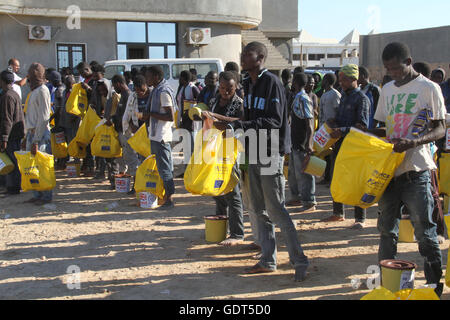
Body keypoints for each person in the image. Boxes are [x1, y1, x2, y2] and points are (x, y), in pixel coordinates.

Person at [214, 42, 309, 282]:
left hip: (270, 151)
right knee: (257, 209)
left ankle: (300, 260)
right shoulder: (247, 83)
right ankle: (268, 260)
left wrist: (237, 125)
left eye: (248, 54)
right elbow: (247, 118)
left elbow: (275, 121)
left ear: (261, 58)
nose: (243, 57)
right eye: (243, 53)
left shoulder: (272, 83)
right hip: (252, 150)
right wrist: (222, 119)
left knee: (276, 209)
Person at [369, 42, 446, 297]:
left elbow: (439, 128)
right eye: (388, 70)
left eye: (397, 68)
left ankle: (435, 287)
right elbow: (384, 127)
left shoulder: (428, 88)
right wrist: (365, 135)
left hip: (417, 170)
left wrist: (412, 142)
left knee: (424, 232)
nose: (393, 74)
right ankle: (387, 285)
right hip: (389, 172)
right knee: (386, 231)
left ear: (409, 62)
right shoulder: (387, 89)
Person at [322, 64, 370, 229]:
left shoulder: (361, 99)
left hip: (355, 147)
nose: (340, 82)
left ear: (353, 79)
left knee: (357, 181)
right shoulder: (344, 95)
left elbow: (362, 126)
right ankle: (338, 213)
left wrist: (341, 130)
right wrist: (334, 122)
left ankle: (359, 218)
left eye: (343, 80)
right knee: (337, 178)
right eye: (340, 79)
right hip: (340, 144)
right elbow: (343, 119)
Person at [202, 71, 245, 246]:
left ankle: (237, 233)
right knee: (217, 189)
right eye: (222, 88)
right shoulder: (213, 101)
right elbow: (209, 124)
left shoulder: (240, 103)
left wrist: (215, 119)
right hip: (214, 149)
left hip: (231, 150)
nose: (226, 91)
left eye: (229, 88)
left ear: (236, 87)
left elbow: (237, 123)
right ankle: (221, 226)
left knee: (232, 192)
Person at [144, 65, 177, 209]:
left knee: (165, 168)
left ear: (156, 77)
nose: (147, 79)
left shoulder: (163, 92)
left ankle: (169, 198)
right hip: (157, 134)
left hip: (161, 135)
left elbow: (170, 116)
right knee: (164, 167)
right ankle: (166, 195)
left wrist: (150, 114)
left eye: (149, 76)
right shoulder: (157, 90)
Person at [286, 73, 317, 211]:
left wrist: (309, 144)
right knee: (293, 172)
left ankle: (309, 201)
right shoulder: (297, 97)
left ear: (296, 83)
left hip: (302, 143)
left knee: (305, 173)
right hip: (294, 142)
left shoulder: (303, 99)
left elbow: (309, 123)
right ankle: (296, 197)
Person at [23, 63, 53, 205]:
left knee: (42, 167)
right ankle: (37, 194)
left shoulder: (43, 90)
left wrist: (36, 140)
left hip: (40, 135)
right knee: (33, 167)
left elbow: (44, 117)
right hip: (31, 133)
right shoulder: (33, 91)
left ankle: (46, 196)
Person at [108, 74, 137, 194]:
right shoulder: (123, 96)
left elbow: (129, 116)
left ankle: (136, 186)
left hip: (127, 133)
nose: (114, 88)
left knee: (132, 159)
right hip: (122, 132)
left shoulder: (128, 96)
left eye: (114, 85)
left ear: (119, 83)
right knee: (126, 158)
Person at [0, 70, 25, 196]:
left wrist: (4, 138)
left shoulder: (7, 96)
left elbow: (7, 119)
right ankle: (11, 186)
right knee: (12, 161)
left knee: (11, 162)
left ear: (2, 81)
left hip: (11, 135)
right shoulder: (14, 94)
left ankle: (13, 188)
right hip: (15, 134)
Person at [318, 73, 341, 186]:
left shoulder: (335, 94)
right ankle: (325, 177)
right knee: (324, 154)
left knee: (333, 155)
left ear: (326, 81)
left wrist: (335, 123)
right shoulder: (324, 95)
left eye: (323, 80)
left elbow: (339, 111)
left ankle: (332, 179)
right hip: (323, 129)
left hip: (332, 130)